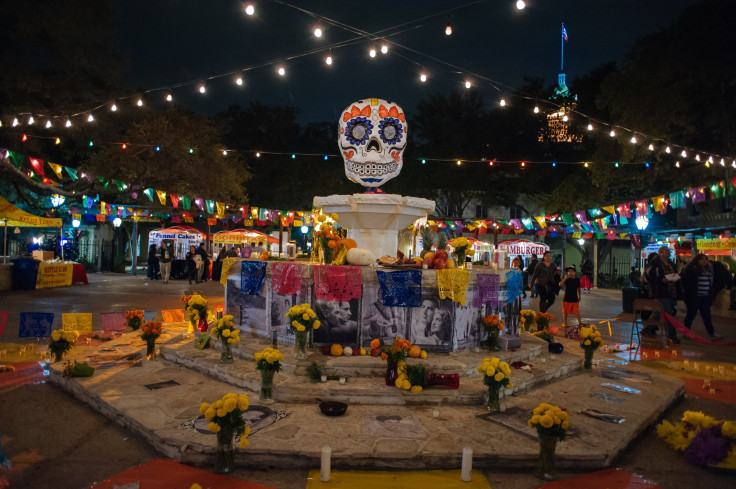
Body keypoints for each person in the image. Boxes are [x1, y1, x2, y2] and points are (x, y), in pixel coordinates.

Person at [642, 246, 680, 344]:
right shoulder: (656, 264)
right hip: (660, 292)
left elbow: (675, 273)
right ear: (661, 253)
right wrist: (660, 280)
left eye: (668, 252)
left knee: (658, 313)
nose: (668, 253)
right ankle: (672, 335)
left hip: (671, 291)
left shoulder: (671, 264)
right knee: (668, 314)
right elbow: (649, 276)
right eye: (666, 251)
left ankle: (646, 329)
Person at [681, 254, 722, 340]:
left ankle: (711, 333)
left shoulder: (708, 270)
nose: (704, 261)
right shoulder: (692, 269)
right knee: (691, 314)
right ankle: (686, 332)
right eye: (702, 259)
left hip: (705, 296)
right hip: (695, 296)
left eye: (705, 259)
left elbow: (711, 282)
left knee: (707, 315)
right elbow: (687, 282)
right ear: (697, 260)